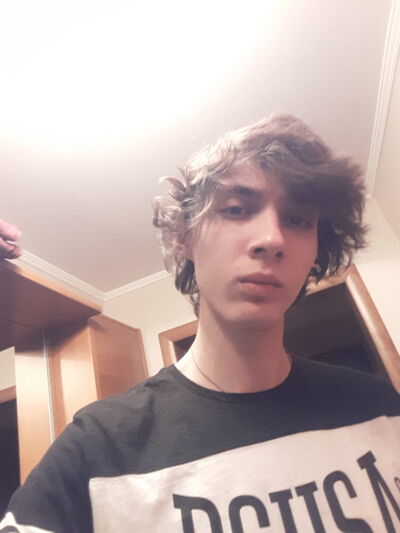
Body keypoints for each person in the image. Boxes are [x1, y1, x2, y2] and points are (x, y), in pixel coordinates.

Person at [1, 114, 399, 532]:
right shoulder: (98, 448)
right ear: (184, 236)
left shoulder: (379, 408)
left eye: (299, 219)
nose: (272, 239)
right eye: (238, 209)